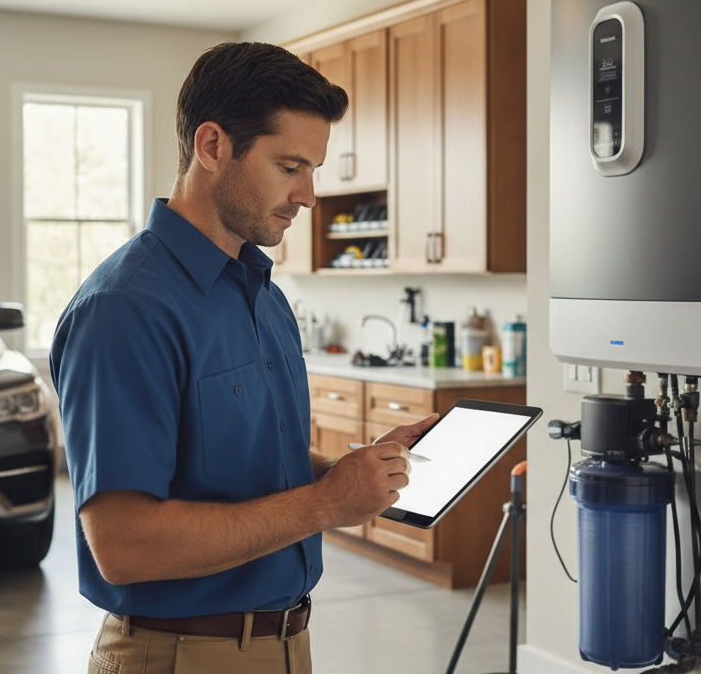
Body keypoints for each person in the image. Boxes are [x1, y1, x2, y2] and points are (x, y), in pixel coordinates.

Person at [50, 41, 438, 674]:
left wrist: (347, 475)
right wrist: (324, 506)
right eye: (290, 167)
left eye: (313, 169)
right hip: (178, 655)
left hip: (284, 643)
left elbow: (249, 462)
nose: (309, 195)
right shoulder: (125, 310)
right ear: (212, 147)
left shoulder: (262, 295)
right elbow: (123, 545)